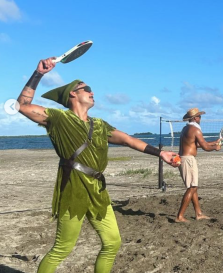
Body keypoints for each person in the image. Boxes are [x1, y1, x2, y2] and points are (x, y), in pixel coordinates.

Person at [17, 57, 179, 273]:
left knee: (112, 242)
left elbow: (128, 140)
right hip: (73, 189)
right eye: (87, 89)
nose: (92, 92)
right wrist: (39, 74)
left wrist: (161, 154)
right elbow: (23, 106)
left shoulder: (99, 125)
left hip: (98, 190)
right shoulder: (58, 119)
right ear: (72, 94)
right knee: (63, 248)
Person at [175, 107, 221, 223]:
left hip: (183, 159)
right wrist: (215, 148)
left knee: (193, 187)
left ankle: (198, 213)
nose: (200, 118)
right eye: (199, 116)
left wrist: (214, 142)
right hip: (188, 160)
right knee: (192, 187)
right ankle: (180, 216)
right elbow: (205, 147)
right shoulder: (196, 130)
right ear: (195, 118)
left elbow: (198, 145)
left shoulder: (186, 129)